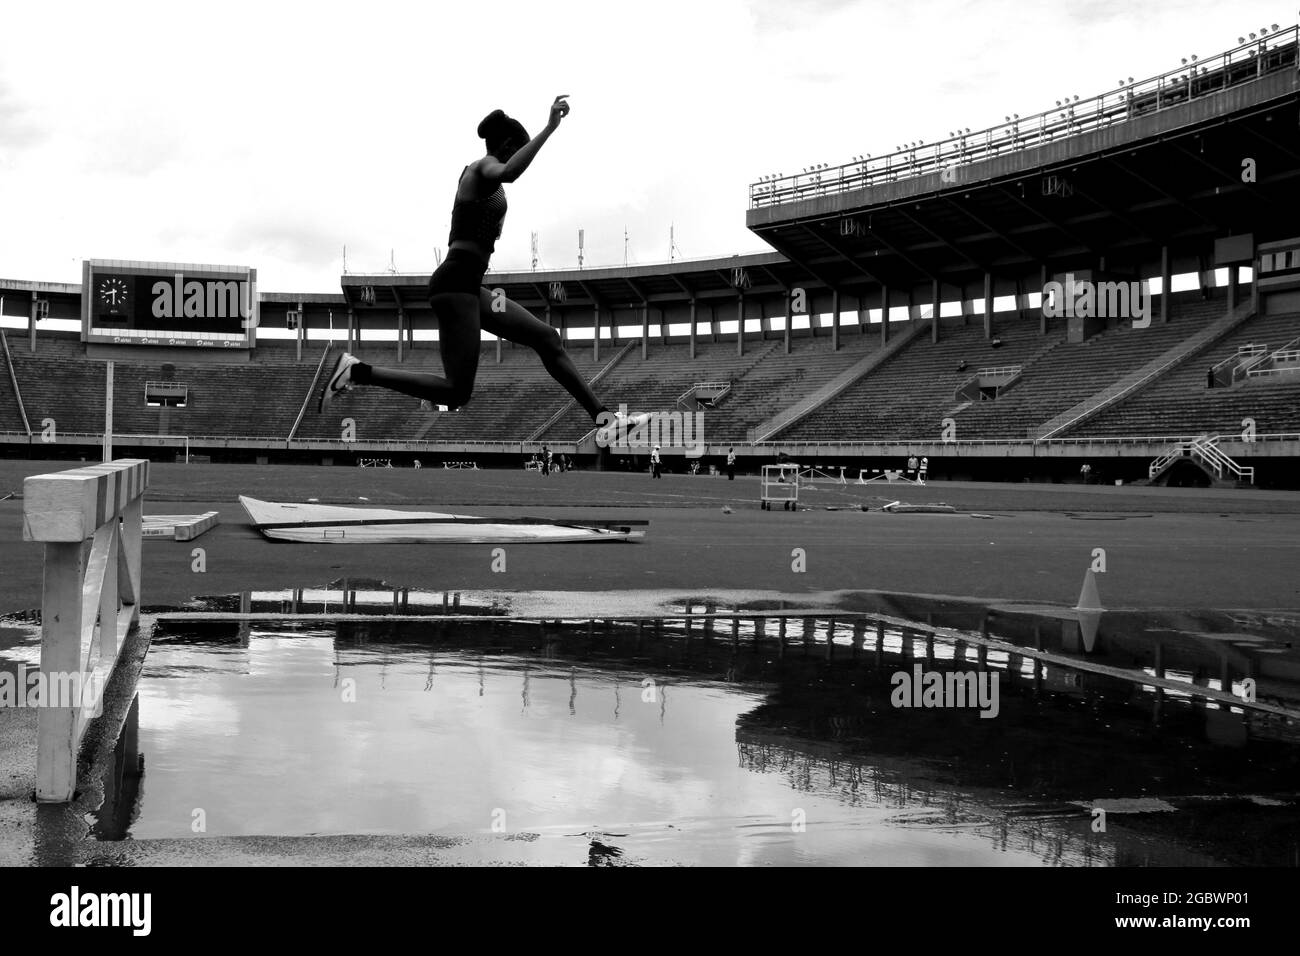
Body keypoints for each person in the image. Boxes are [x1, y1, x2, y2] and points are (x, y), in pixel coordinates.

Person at [317, 95, 646, 446]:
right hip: (456, 284)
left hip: (470, 287)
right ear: (506, 145)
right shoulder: (481, 168)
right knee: (457, 392)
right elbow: (509, 172)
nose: (517, 155)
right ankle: (358, 371)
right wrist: (549, 128)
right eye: (516, 148)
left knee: (547, 338)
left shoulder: (490, 179)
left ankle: (604, 420)